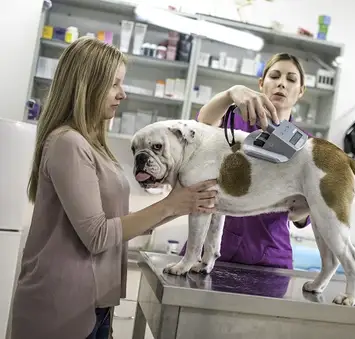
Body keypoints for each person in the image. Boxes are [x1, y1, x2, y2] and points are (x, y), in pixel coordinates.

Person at [9, 37, 218, 339]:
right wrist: (172, 204)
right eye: (114, 84)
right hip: (60, 309)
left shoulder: (94, 145)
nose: (123, 93)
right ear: (87, 86)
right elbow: (98, 236)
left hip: (94, 306)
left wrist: (186, 202)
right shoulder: (68, 143)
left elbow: (117, 221)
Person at [179, 53, 311, 270]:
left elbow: (300, 218)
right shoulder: (233, 122)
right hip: (207, 251)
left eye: (291, 79)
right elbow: (202, 125)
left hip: (268, 258)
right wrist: (230, 94)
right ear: (261, 84)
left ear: (301, 91)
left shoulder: (305, 146)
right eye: (275, 76)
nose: (281, 84)